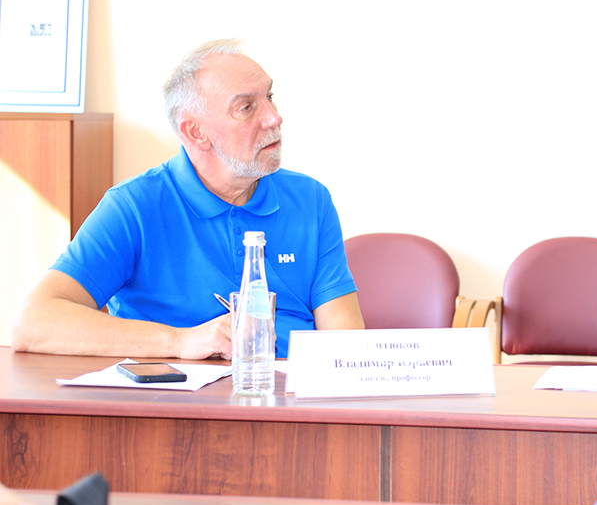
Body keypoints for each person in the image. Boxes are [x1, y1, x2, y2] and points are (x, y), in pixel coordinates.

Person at [11, 39, 364, 360]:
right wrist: (181, 341)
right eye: (246, 107)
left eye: (269, 97)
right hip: (171, 403)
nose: (274, 117)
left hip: (288, 396)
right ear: (196, 132)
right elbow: (34, 322)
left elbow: (346, 344)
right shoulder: (134, 206)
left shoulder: (310, 200)